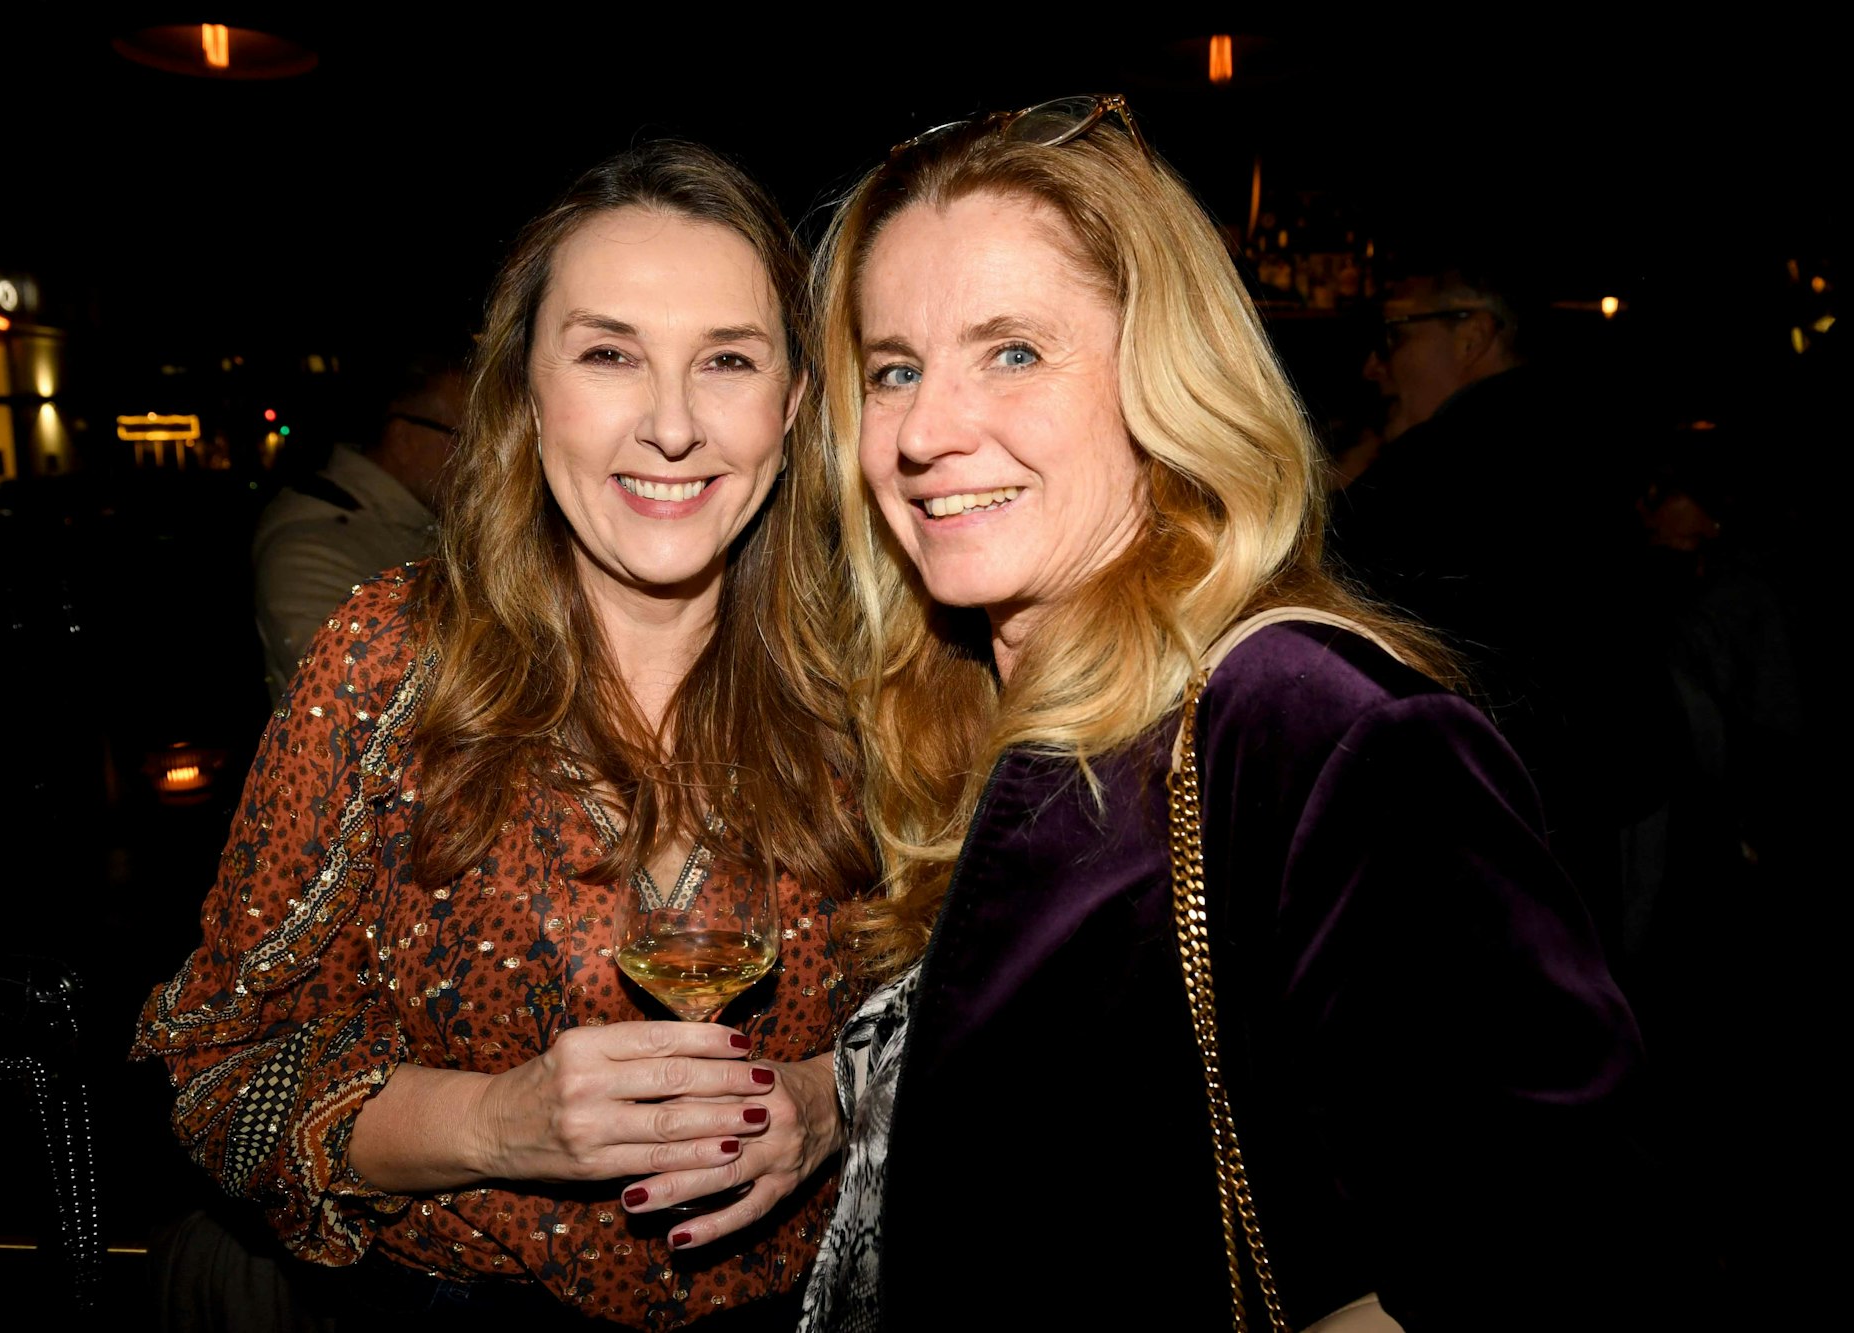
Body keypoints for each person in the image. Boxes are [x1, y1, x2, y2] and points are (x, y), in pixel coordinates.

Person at [750, 95, 1674, 1330]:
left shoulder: (1312, 728)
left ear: (1162, 375)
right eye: (895, 369)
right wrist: (841, 1100)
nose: (923, 431)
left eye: (1012, 352)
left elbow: (1555, 1245)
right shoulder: (958, 709)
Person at [131, 141, 870, 1330]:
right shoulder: (388, 663)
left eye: (726, 359)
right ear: (526, 391)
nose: (671, 426)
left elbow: (990, 1018)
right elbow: (217, 1074)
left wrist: (834, 1102)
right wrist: (495, 1122)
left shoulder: (882, 681)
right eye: (608, 353)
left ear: (791, 405)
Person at [1330, 255, 1678, 959]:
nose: (1375, 366)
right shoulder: (1569, 430)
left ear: (1473, 334)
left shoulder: (1453, 457)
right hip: (1610, 795)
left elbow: (1318, 581)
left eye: (1396, 334)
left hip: (1525, 818)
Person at [252, 350, 468, 698]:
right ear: (404, 440)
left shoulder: (425, 523)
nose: (480, 458)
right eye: (464, 437)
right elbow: (359, 699)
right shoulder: (307, 549)